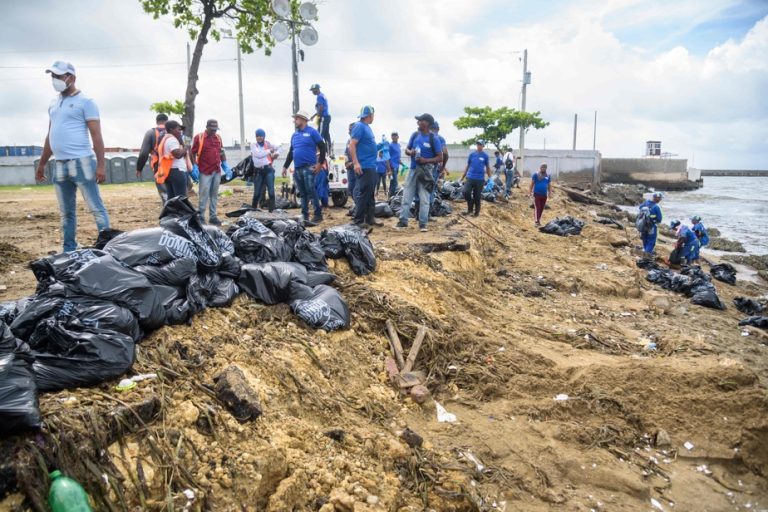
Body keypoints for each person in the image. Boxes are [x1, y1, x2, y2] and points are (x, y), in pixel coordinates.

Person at [35, 61, 110, 253]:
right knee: (66, 213)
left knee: (96, 207)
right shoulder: (54, 103)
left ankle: (108, 246)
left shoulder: (86, 102)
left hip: (83, 162)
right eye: (53, 76)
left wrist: (101, 165)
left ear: (71, 78)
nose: (55, 80)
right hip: (59, 164)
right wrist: (42, 164)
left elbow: (96, 136)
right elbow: (50, 137)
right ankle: (69, 249)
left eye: (59, 76)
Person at [395, 113, 444, 232]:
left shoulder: (434, 139)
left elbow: (440, 157)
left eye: (420, 120)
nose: (418, 122)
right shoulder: (415, 135)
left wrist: (425, 160)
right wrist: (410, 152)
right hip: (413, 170)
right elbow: (407, 149)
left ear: (426, 123)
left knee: (424, 198)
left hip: (426, 172)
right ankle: (403, 221)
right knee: (407, 196)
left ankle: (423, 224)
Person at [283, 110, 326, 224]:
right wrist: (285, 166)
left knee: (311, 191)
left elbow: (323, 147)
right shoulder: (295, 135)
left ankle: (318, 215)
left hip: (309, 167)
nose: (294, 120)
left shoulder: (312, 132)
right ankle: (305, 215)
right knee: (302, 193)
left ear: (303, 119)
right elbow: (291, 152)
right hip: (298, 169)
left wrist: (320, 164)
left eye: (296, 118)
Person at [191, 119, 230, 225]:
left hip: (216, 170)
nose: (214, 132)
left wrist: (225, 165)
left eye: (215, 129)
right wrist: (194, 166)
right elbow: (192, 153)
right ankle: (201, 217)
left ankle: (213, 216)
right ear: (207, 127)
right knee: (203, 195)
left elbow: (222, 152)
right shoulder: (199, 138)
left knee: (214, 194)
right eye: (212, 129)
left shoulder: (218, 138)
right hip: (204, 171)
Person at [348, 105, 381, 228]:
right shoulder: (359, 126)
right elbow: (352, 145)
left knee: (370, 193)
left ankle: (370, 218)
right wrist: (356, 163)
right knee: (364, 193)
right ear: (369, 115)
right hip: (364, 166)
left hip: (371, 165)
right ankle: (358, 220)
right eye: (373, 115)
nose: (373, 118)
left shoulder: (367, 127)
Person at [136, 113, 172, 204]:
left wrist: (139, 168)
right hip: (175, 166)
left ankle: (169, 214)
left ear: (156, 122)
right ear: (167, 121)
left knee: (165, 194)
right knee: (177, 193)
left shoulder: (151, 133)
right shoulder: (174, 130)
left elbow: (144, 154)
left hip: (159, 167)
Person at [157, 120, 190, 200]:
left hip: (170, 171)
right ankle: (181, 212)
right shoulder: (172, 140)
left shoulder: (165, 139)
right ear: (171, 129)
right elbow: (178, 154)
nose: (180, 131)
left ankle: (171, 213)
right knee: (181, 198)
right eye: (178, 129)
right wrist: (186, 147)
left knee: (172, 199)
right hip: (177, 172)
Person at [250, 128, 279, 211]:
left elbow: (280, 147)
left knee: (271, 192)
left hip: (268, 170)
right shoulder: (253, 145)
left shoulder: (268, 144)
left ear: (264, 137)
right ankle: (253, 210)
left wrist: (277, 153)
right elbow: (258, 154)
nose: (259, 137)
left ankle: (272, 211)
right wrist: (270, 151)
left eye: (260, 136)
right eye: (257, 136)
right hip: (258, 171)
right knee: (257, 193)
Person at [461, 140, 492, 217]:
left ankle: (476, 213)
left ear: (483, 146)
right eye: (478, 144)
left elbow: (488, 167)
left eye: (480, 144)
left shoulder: (485, 156)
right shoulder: (472, 154)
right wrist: (463, 176)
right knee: (465, 192)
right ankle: (470, 207)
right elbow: (467, 165)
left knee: (477, 196)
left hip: (480, 179)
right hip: (470, 177)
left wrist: (490, 178)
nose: (479, 146)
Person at [428, 121, 449, 208]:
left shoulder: (425, 137)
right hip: (435, 167)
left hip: (423, 166)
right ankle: (429, 211)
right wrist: (443, 166)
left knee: (422, 188)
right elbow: (446, 153)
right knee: (431, 189)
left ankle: (420, 210)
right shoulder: (440, 138)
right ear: (438, 129)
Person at [637, 192, 664, 257]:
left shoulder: (646, 203)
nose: (660, 200)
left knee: (645, 239)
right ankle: (646, 254)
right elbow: (659, 219)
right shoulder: (657, 207)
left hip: (643, 225)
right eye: (660, 198)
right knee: (651, 241)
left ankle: (645, 250)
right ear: (658, 199)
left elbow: (640, 207)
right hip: (651, 226)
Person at [309, 84, 332, 156]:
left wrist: (317, 115)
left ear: (317, 89)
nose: (312, 92)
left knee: (320, 134)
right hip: (327, 117)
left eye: (313, 90)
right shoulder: (323, 95)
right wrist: (315, 115)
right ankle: (329, 150)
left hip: (323, 117)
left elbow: (321, 107)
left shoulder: (319, 96)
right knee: (326, 135)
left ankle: (320, 150)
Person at [344, 123, 359, 217]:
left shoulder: (359, 140)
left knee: (357, 190)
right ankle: (357, 207)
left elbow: (361, 155)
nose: (349, 131)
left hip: (357, 168)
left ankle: (359, 210)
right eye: (348, 130)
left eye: (351, 130)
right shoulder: (348, 141)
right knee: (351, 188)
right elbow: (346, 153)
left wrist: (353, 163)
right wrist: (346, 163)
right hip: (350, 169)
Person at [389, 132, 401, 197]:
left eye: (395, 135)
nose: (394, 137)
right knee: (395, 183)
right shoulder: (390, 145)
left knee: (392, 183)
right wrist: (389, 169)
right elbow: (388, 157)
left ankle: (390, 197)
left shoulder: (399, 145)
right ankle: (392, 197)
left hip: (397, 166)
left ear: (398, 137)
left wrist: (403, 165)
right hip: (392, 166)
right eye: (392, 136)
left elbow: (398, 157)